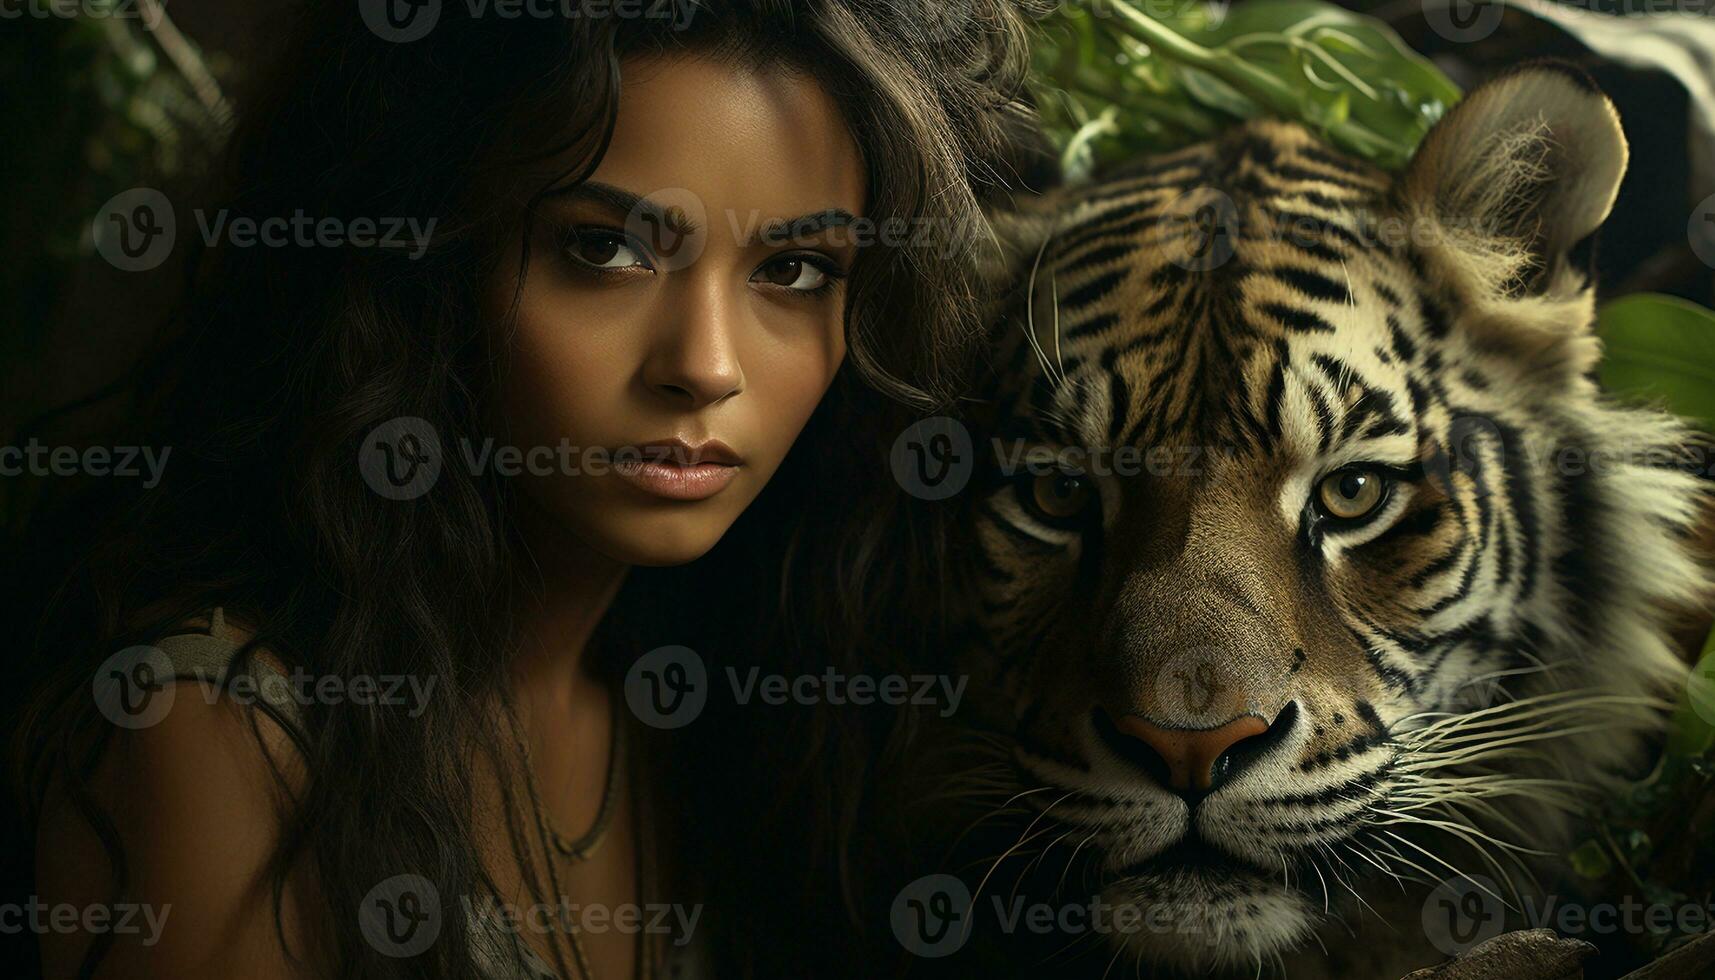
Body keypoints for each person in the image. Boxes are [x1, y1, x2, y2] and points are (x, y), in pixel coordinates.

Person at [10, 2, 1049, 976]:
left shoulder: (747, 713)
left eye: (793, 270)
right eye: (604, 249)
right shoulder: (227, 737)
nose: (705, 364)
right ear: (427, 259)